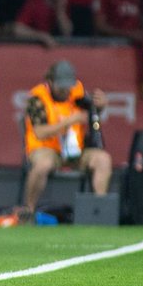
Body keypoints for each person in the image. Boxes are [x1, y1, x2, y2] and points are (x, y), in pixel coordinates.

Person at [23, 60, 112, 212]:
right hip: (46, 149)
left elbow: (92, 117)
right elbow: (40, 132)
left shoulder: (77, 92)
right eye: (61, 86)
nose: (65, 90)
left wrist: (100, 106)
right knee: (42, 164)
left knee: (102, 159)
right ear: (50, 81)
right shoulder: (37, 98)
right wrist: (69, 121)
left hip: (75, 151)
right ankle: (28, 211)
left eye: (68, 85)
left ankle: (99, 211)